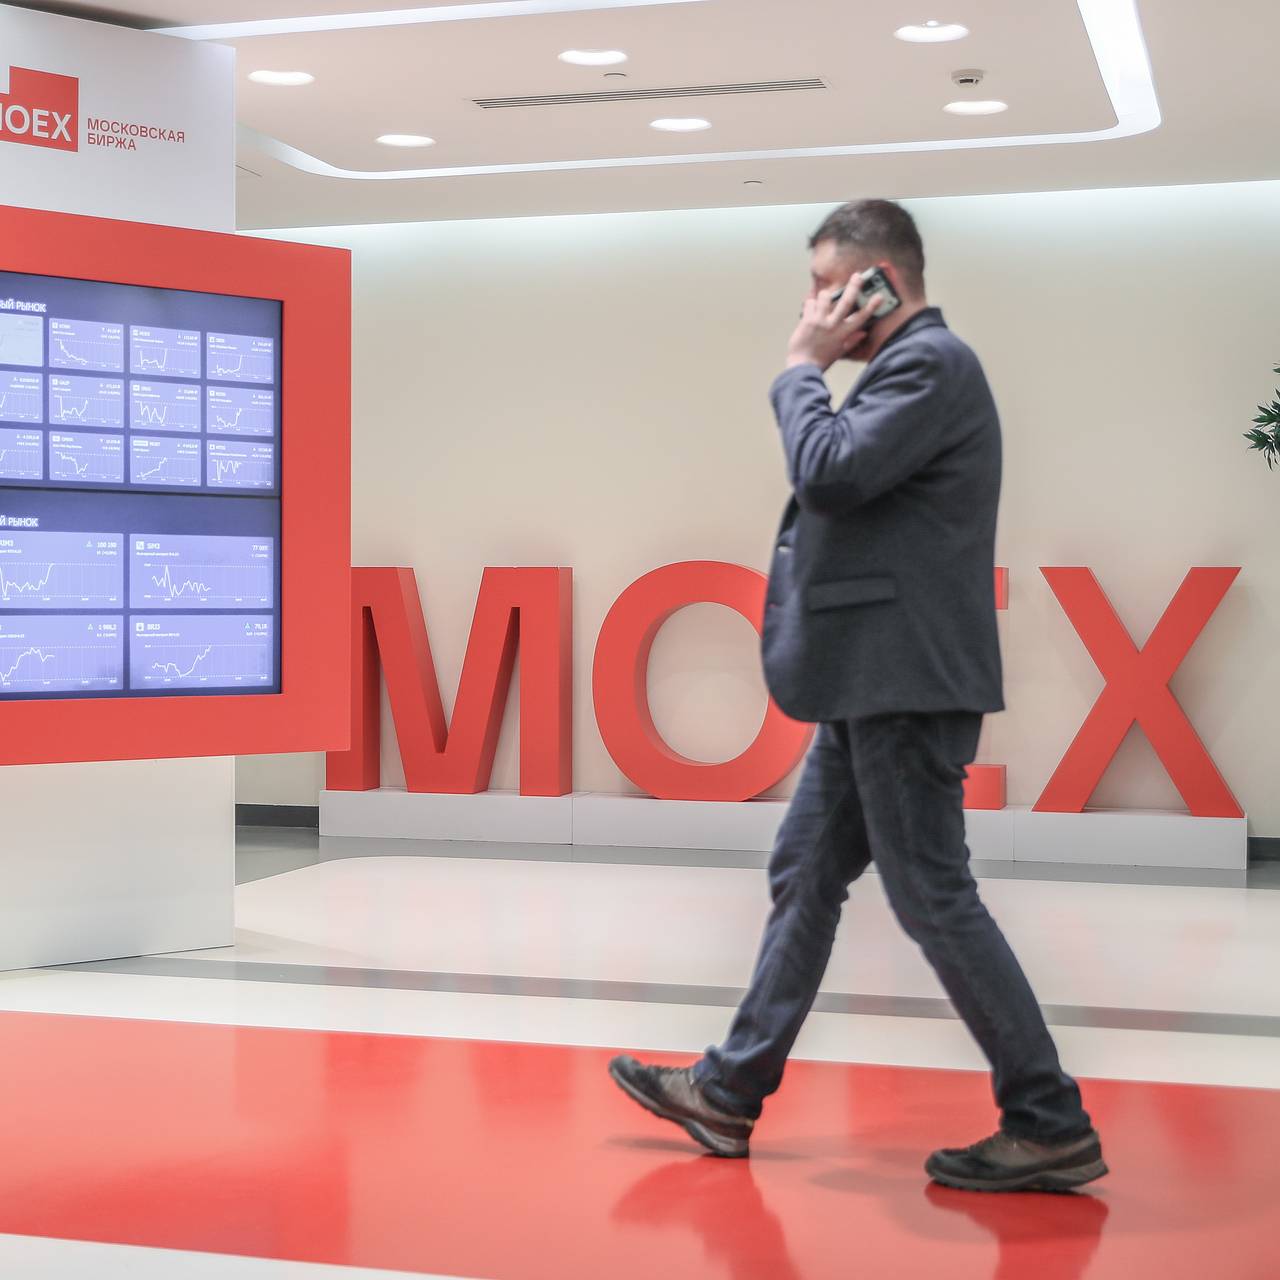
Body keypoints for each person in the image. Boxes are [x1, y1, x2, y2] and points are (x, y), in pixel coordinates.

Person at [609, 199, 1107, 1193]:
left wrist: (800, 367)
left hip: (901, 681)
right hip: (872, 679)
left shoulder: (930, 364)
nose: (811, 305)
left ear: (877, 282)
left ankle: (1048, 1120)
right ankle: (727, 1089)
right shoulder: (908, 370)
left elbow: (829, 471)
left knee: (932, 896)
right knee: (805, 869)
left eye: (823, 286)